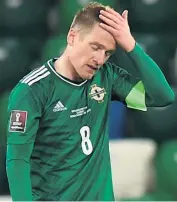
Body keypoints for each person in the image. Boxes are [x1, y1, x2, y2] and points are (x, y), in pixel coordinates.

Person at [6, 2, 174, 201]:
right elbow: (17, 160)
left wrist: (131, 46)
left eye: (108, 53)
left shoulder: (107, 78)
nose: (100, 59)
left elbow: (163, 97)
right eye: (96, 47)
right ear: (72, 36)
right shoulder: (31, 90)